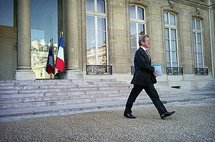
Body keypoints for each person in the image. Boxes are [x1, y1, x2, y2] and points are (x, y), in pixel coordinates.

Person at [124, 35, 175, 119]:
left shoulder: (146, 52)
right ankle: (127, 112)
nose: (149, 42)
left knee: (155, 96)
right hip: (140, 80)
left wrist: (153, 71)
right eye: (147, 41)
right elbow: (143, 65)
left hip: (147, 80)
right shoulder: (139, 52)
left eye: (149, 41)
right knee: (133, 96)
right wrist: (153, 69)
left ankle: (163, 112)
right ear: (142, 42)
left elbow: (146, 65)